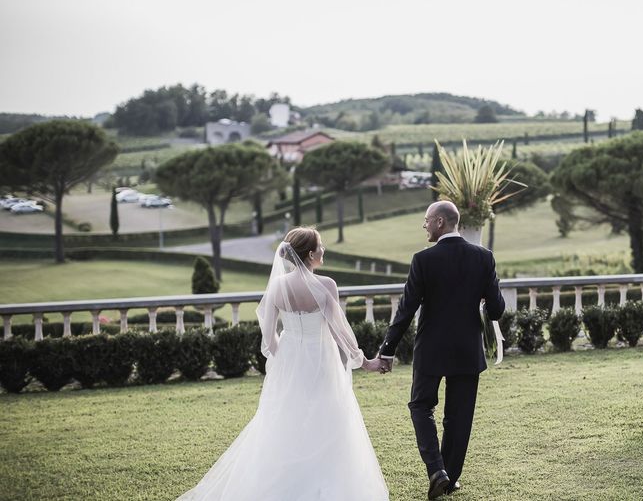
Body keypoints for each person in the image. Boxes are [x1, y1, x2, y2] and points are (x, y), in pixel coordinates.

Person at [178, 227, 389, 501]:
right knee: (327, 417)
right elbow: (340, 332)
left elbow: (268, 341)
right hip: (321, 360)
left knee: (289, 420)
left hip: (291, 361)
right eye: (321, 246)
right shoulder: (326, 285)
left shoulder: (277, 286)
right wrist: (363, 362)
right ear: (311, 254)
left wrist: (287, 360)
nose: (324, 250)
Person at [377, 201, 505, 499]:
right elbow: (497, 310)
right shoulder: (484, 258)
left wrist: (387, 350)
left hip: (431, 349)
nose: (424, 226)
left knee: (421, 406)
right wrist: (486, 298)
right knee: (459, 417)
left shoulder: (423, 260)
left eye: (426, 220)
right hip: (467, 350)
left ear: (439, 223)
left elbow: (406, 310)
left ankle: (437, 471)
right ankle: (450, 476)